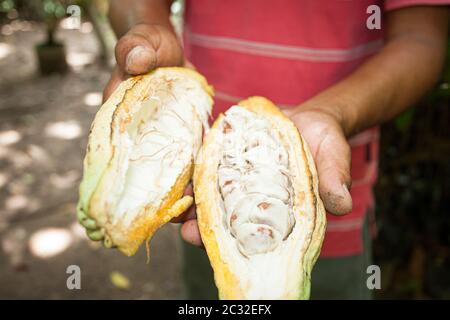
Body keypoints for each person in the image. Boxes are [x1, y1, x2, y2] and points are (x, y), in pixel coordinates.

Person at [103, 0, 450, 299]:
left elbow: (419, 39)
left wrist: (333, 111)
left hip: (336, 209)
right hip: (201, 204)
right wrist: (146, 30)